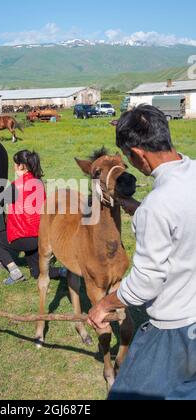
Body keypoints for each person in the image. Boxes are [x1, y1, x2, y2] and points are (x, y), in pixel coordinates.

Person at [88, 105, 196, 400]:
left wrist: (105, 304)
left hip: (175, 331)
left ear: (137, 154)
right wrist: (141, 211)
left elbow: (146, 282)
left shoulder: (157, 205)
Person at [0, 150, 66, 286]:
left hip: (24, 236)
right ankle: (65, 272)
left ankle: (14, 272)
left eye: (15, 164)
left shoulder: (17, 185)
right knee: (37, 273)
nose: (14, 167)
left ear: (21, 166)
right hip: (41, 235)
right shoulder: (38, 182)